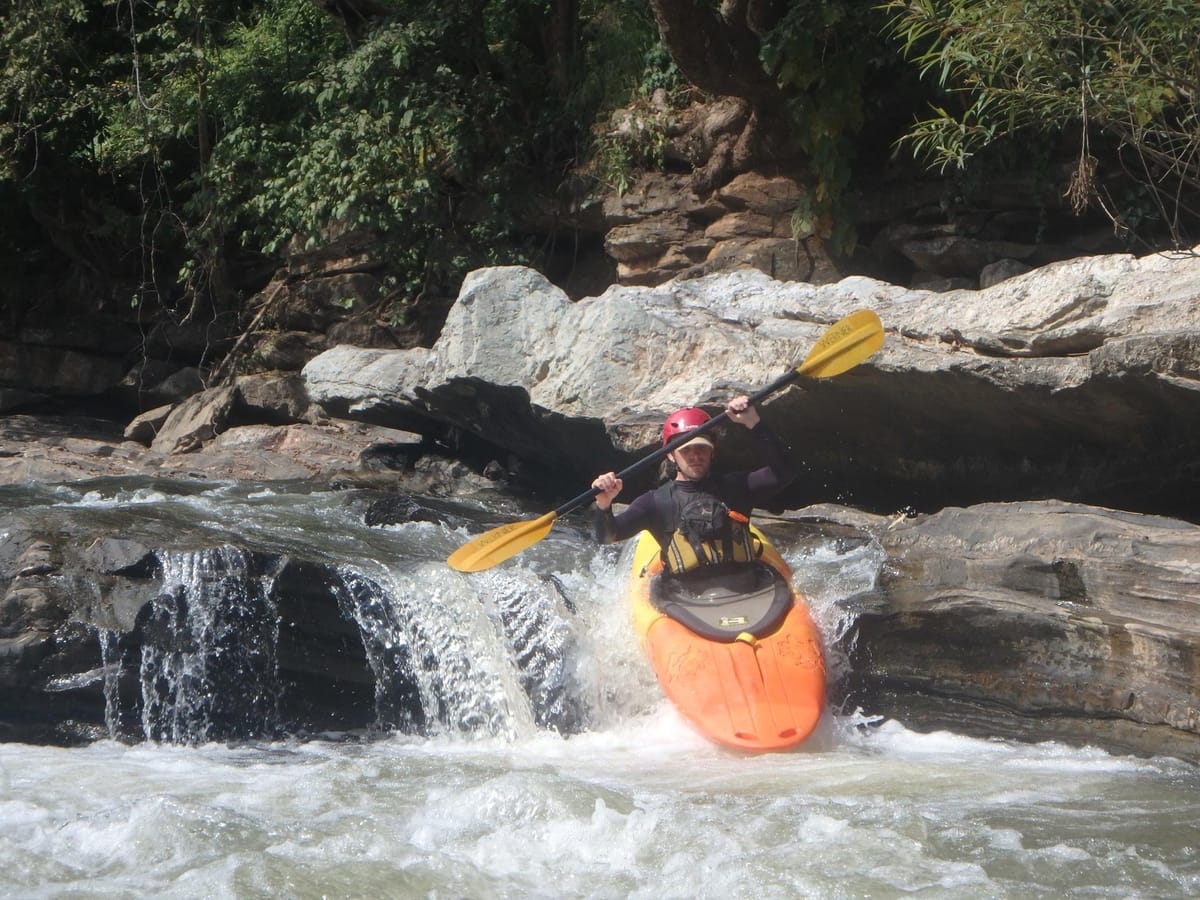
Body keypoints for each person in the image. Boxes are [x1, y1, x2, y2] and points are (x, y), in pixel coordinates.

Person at [591, 396, 796, 577]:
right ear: (671, 455)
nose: (695, 455)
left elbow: (786, 471)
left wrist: (754, 423)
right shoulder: (654, 503)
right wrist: (604, 505)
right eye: (686, 449)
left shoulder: (737, 487)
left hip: (744, 586)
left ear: (712, 451)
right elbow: (607, 537)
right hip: (684, 597)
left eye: (702, 448)